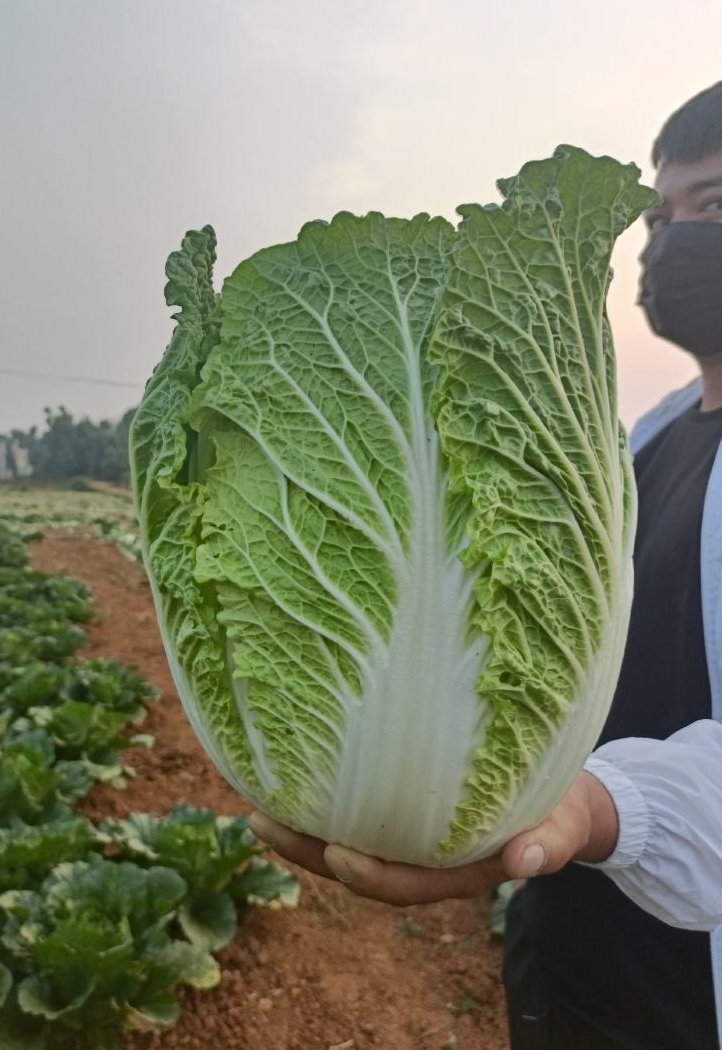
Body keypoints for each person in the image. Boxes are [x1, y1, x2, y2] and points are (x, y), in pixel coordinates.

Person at [249, 81, 722, 1050]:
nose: (668, 243)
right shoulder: (640, 440)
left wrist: (594, 806)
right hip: (569, 957)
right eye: (655, 215)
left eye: (710, 209)